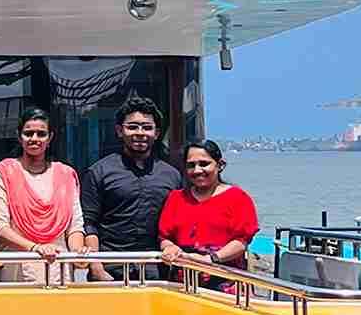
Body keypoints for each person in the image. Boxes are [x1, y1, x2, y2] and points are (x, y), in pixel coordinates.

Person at [82, 95, 181, 281]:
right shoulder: (99, 172)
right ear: (120, 131)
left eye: (147, 127)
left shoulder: (172, 175)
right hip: (111, 267)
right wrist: (96, 267)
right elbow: (89, 223)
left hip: (158, 268)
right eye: (132, 127)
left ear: (157, 133)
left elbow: (178, 226)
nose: (140, 132)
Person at [0, 107, 88, 282]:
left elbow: (75, 226)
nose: (34, 139)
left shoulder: (65, 174)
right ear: (19, 137)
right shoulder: (5, 172)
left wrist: (78, 252)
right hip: (17, 266)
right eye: (29, 133)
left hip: (59, 265)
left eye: (41, 134)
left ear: (50, 138)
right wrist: (35, 248)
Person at [159, 141, 258, 292]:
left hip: (226, 283)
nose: (197, 170)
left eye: (204, 164)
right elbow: (164, 237)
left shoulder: (238, 198)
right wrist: (169, 247)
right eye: (191, 165)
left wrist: (211, 259)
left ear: (220, 165)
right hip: (182, 283)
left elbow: (241, 241)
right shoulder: (175, 198)